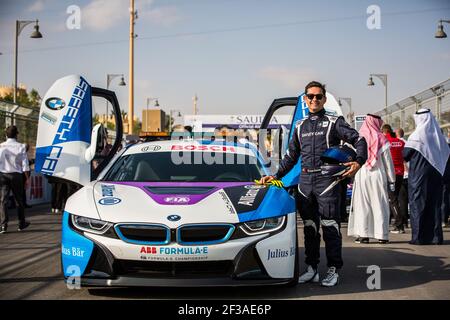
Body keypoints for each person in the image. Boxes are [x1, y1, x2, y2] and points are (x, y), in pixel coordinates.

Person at [259, 81, 367, 287]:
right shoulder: (300, 126)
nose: (314, 100)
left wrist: (358, 162)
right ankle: (312, 268)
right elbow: (291, 156)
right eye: (310, 96)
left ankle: (334, 269)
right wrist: (276, 176)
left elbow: (359, 139)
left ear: (324, 99)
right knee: (310, 228)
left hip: (327, 181)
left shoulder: (335, 121)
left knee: (330, 227)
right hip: (305, 182)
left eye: (318, 96)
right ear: (305, 100)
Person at [403, 109, 450, 245]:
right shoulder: (439, 136)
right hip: (437, 175)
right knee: (435, 205)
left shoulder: (417, 135)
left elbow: (405, 154)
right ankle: (435, 237)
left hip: (418, 176)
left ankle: (419, 237)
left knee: (418, 205)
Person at [348, 114, 395, 244]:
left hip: (361, 173)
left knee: (362, 204)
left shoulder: (358, 138)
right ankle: (382, 235)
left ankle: (363, 235)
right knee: (379, 204)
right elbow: (388, 162)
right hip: (378, 175)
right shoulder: (381, 138)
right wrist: (392, 179)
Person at [0, 126, 31, 233]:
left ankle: (3, 225)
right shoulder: (21, 146)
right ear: (16, 134)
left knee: (3, 201)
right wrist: (27, 178)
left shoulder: (1, 146)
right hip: (16, 176)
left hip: (3, 175)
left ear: (6, 134)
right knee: (19, 200)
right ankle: (21, 224)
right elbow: (25, 165)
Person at [382, 124, 406, 233]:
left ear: (384, 132)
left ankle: (399, 225)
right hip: (401, 173)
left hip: (390, 174)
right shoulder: (401, 142)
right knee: (396, 198)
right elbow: (406, 156)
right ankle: (400, 222)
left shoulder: (384, 141)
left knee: (393, 199)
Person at [395, 128, 409, 228]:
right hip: (409, 175)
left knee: (401, 198)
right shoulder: (407, 143)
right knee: (407, 199)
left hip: (401, 174)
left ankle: (403, 220)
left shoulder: (397, 143)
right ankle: (405, 219)